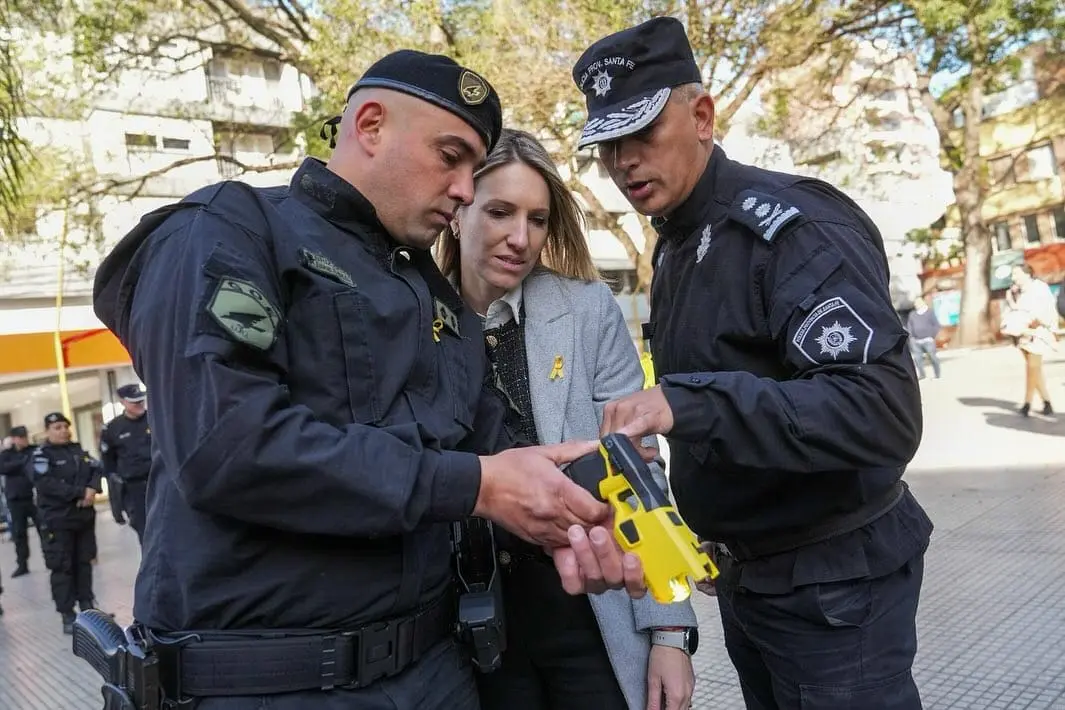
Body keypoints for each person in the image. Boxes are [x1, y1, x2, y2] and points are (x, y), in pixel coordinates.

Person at [91, 50, 607, 709]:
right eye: (449, 157)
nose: (463, 190)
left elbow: (503, 456)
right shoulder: (231, 230)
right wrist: (472, 484)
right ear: (369, 125)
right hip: (269, 684)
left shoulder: (440, 302)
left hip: (434, 672)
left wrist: (595, 515)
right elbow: (225, 445)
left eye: (473, 170)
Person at [555, 17, 935, 710]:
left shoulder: (790, 228)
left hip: (834, 590)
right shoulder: (675, 243)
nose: (623, 163)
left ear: (701, 115)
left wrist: (687, 403)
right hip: (751, 580)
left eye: (641, 133)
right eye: (607, 145)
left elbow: (878, 409)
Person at [437, 128, 697, 710]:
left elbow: (642, 476)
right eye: (500, 212)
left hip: (589, 609)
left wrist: (671, 632)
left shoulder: (586, 310)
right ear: (458, 210)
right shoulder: (417, 316)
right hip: (468, 623)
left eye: (537, 219)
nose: (519, 238)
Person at [27, 412, 105, 634]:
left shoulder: (77, 450)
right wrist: (80, 492)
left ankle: (88, 608)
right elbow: (45, 484)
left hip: (83, 519)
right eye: (57, 427)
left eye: (65, 427)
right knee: (62, 566)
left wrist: (92, 489)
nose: (63, 431)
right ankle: (67, 614)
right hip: (57, 520)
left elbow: (97, 469)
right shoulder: (41, 455)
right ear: (47, 431)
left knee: (84, 562)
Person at [1002, 263, 1057, 416]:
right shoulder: (1016, 292)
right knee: (1034, 369)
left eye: (1016, 274)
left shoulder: (1040, 288)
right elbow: (1013, 311)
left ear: (1027, 274)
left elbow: (1048, 308)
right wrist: (1011, 298)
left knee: (1032, 367)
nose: (1013, 278)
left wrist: (1039, 322)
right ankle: (1047, 402)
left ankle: (1027, 403)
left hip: (1037, 332)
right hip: (1021, 334)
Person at [99, 382, 152, 543]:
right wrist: (116, 504)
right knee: (145, 534)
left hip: (161, 482)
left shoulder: (155, 418)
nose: (139, 405)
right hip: (134, 489)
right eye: (134, 402)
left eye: (141, 401)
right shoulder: (112, 429)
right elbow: (109, 467)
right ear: (122, 401)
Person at [1, 425, 41, 577]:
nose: (24, 439)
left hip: (33, 497)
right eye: (20, 437)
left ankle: (51, 560)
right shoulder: (6, 454)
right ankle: (22, 564)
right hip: (15, 499)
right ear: (14, 438)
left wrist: (21, 464)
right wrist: (23, 462)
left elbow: (36, 464)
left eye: (25, 436)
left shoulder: (33, 450)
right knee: (19, 533)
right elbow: (3, 468)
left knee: (43, 529)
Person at [906, 296, 942, 380]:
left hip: (928, 339)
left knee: (933, 357)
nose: (916, 305)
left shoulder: (929, 312)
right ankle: (922, 375)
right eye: (915, 303)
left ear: (923, 303)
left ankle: (937, 375)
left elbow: (936, 325)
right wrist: (911, 337)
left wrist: (931, 335)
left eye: (918, 303)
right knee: (918, 359)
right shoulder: (913, 314)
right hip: (916, 341)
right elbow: (910, 326)